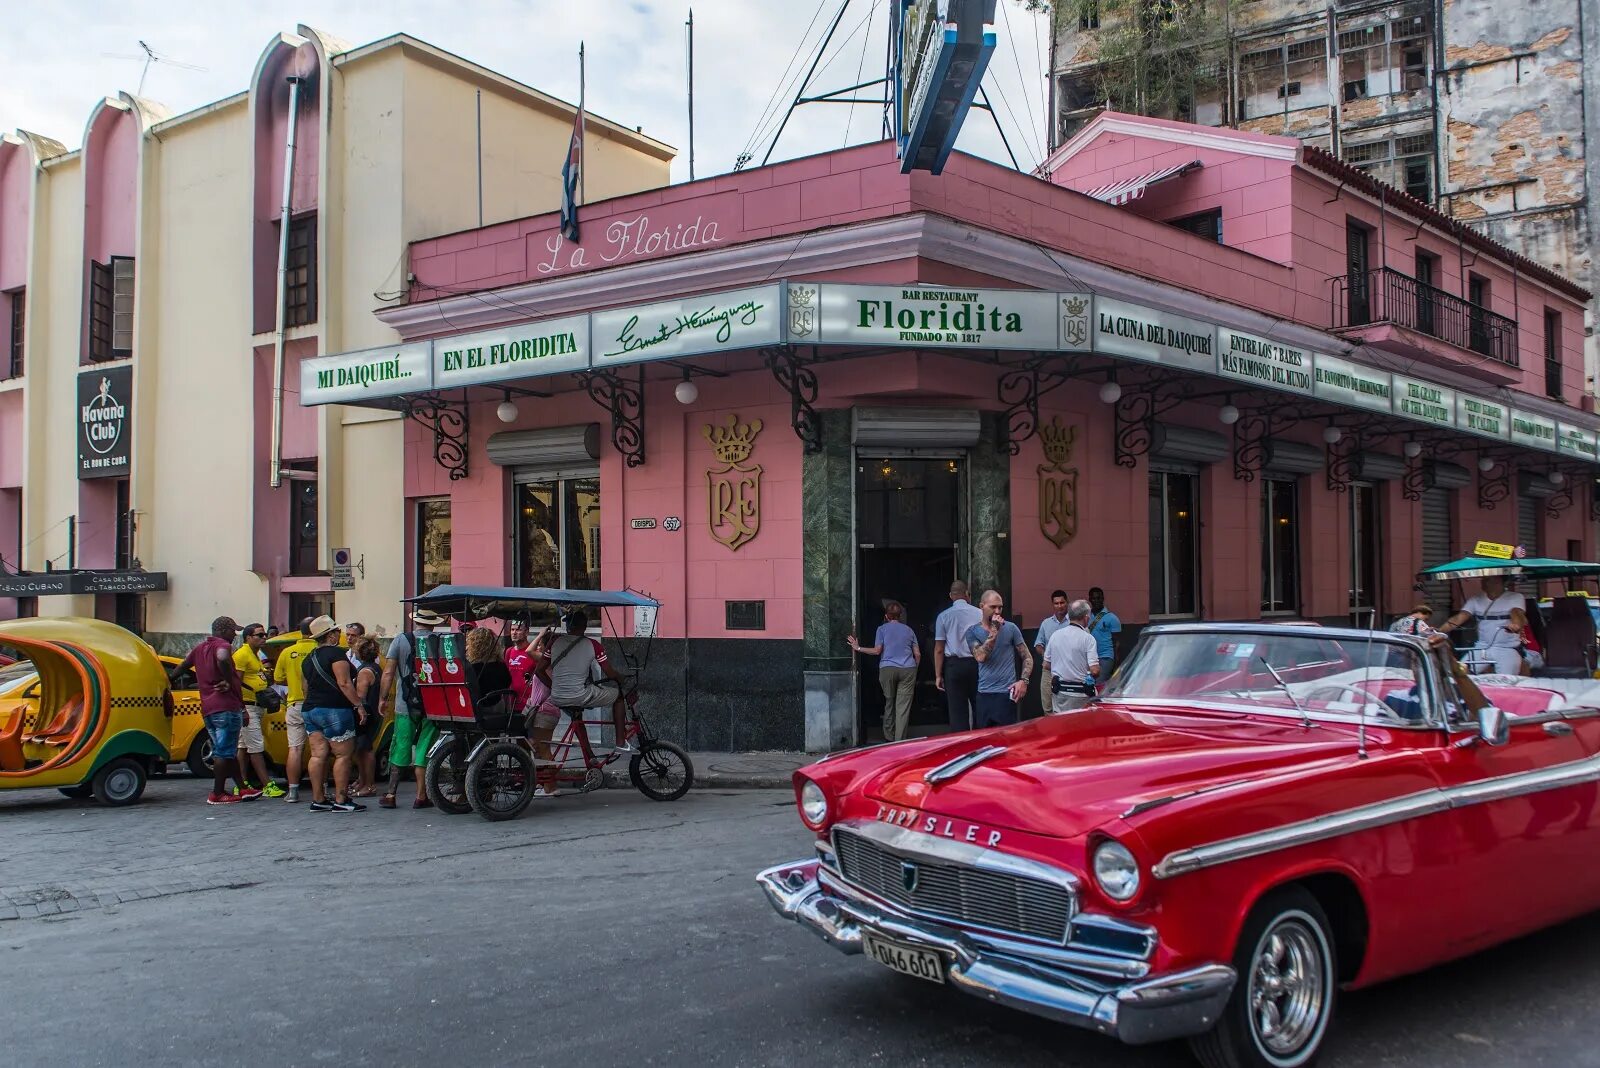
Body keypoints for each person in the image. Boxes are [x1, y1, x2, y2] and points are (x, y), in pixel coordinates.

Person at [177, 616, 260, 806]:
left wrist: (167, 681)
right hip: (226, 707)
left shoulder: (199, 648)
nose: (235, 635)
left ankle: (242, 787)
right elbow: (222, 657)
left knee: (226, 750)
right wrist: (229, 680)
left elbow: (182, 666)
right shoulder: (222, 645)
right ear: (224, 631)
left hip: (209, 708)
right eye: (233, 631)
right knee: (224, 752)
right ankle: (218, 793)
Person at [379, 608, 446, 810]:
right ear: (433, 623)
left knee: (400, 746)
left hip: (404, 704)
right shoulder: (440, 641)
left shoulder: (401, 640)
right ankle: (421, 796)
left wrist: (383, 699)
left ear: (415, 622)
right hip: (433, 705)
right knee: (424, 750)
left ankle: (391, 794)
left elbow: (389, 673)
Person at [539, 609, 633, 754]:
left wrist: (555, 687)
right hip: (579, 695)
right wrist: (623, 679)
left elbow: (539, 671)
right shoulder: (594, 645)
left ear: (569, 627)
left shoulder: (554, 642)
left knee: (577, 719)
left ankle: (590, 757)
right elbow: (610, 673)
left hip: (557, 696)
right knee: (619, 696)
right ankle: (620, 742)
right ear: (584, 626)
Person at [299, 615, 366, 812]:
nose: (340, 634)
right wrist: (358, 705)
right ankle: (341, 799)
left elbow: (305, 687)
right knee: (343, 755)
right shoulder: (336, 654)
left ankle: (318, 799)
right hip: (334, 709)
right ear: (330, 636)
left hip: (310, 709)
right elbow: (344, 683)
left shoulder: (308, 658)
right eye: (337, 631)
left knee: (318, 755)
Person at [847, 601, 921, 742]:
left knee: (889, 701)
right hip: (908, 669)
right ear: (900, 616)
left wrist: (858, 648)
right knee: (903, 707)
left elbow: (877, 650)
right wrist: (914, 668)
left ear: (886, 616)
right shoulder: (909, 630)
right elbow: (917, 654)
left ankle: (889, 736)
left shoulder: (881, 629)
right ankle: (900, 740)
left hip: (887, 669)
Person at [965, 590, 1032, 729]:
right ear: (982, 606)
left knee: (1007, 738)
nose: (997, 611)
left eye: (1000, 607)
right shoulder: (972, 631)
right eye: (993, 607)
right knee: (983, 740)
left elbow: (1027, 656)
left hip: (1006, 693)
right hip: (984, 693)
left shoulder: (1011, 628)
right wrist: (994, 630)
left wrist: (1023, 681)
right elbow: (981, 657)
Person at [233, 623, 284, 798]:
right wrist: (242, 709)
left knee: (244, 746)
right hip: (248, 706)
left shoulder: (255, 655)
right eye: (259, 635)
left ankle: (242, 782)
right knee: (255, 746)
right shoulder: (242, 654)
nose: (264, 638)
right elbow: (236, 682)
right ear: (248, 637)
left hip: (256, 705)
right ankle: (267, 784)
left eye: (264, 635)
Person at [1438, 576, 1527, 675]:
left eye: (1487, 580)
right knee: (1460, 673)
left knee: (1507, 680)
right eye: (1483, 580)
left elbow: (1517, 613)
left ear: (1498, 582)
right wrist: (1438, 631)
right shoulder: (1475, 600)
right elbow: (1459, 618)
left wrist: (1515, 625)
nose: (1483, 583)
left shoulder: (1515, 597)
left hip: (1507, 648)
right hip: (1482, 647)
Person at [273, 617, 318, 803]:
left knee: (295, 749)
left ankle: (292, 792)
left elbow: (277, 678)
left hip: (294, 704)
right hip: (316, 704)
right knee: (319, 750)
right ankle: (321, 790)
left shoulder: (287, 652)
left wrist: (292, 682)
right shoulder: (319, 650)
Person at [934, 581, 984, 732]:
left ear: (951, 596)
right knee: (979, 706)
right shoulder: (979, 613)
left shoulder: (943, 617)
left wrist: (938, 675)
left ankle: (962, 746)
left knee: (957, 711)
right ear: (967, 594)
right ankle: (980, 741)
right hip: (977, 663)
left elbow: (939, 649)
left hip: (954, 666)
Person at [1043, 600, 1101, 714]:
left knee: (1060, 725)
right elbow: (1094, 670)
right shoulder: (1088, 638)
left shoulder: (1055, 635)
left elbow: (1046, 664)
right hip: (1081, 694)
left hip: (1059, 693)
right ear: (1086, 618)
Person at [349, 636, 383, 797]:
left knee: (364, 750)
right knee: (362, 749)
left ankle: (369, 785)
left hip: (366, 714)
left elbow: (360, 696)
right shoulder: (376, 668)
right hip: (374, 712)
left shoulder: (364, 672)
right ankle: (363, 782)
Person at [1033, 590, 1070, 714]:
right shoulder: (1046, 623)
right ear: (1053, 605)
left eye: (1062, 602)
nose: (1059, 606)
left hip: (1068, 669)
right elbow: (1038, 644)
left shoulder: (1073, 622)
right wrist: (1045, 655)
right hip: (1049, 669)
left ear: (1067, 603)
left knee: (1066, 707)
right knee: (1047, 705)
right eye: (1056, 603)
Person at [1087, 587, 1122, 687]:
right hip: (1089, 657)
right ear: (1090, 599)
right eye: (1094, 598)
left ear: (1103, 599)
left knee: (1099, 685)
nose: (1096, 601)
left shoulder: (1112, 618)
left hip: (1105, 657)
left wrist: (1116, 666)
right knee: (1089, 686)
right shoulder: (1086, 617)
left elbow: (1117, 643)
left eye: (1099, 598)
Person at [466, 627, 514, 698]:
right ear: (493, 643)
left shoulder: (472, 667)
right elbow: (507, 682)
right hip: (497, 704)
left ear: (473, 644)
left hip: (478, 705)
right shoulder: (500, 665)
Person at [504, 620, 536, 707]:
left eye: (518, 630)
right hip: (512, 701)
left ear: (526, 632)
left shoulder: (533, 652)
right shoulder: (509, 651)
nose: (514, 633)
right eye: (512, 629)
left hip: (528, 702)